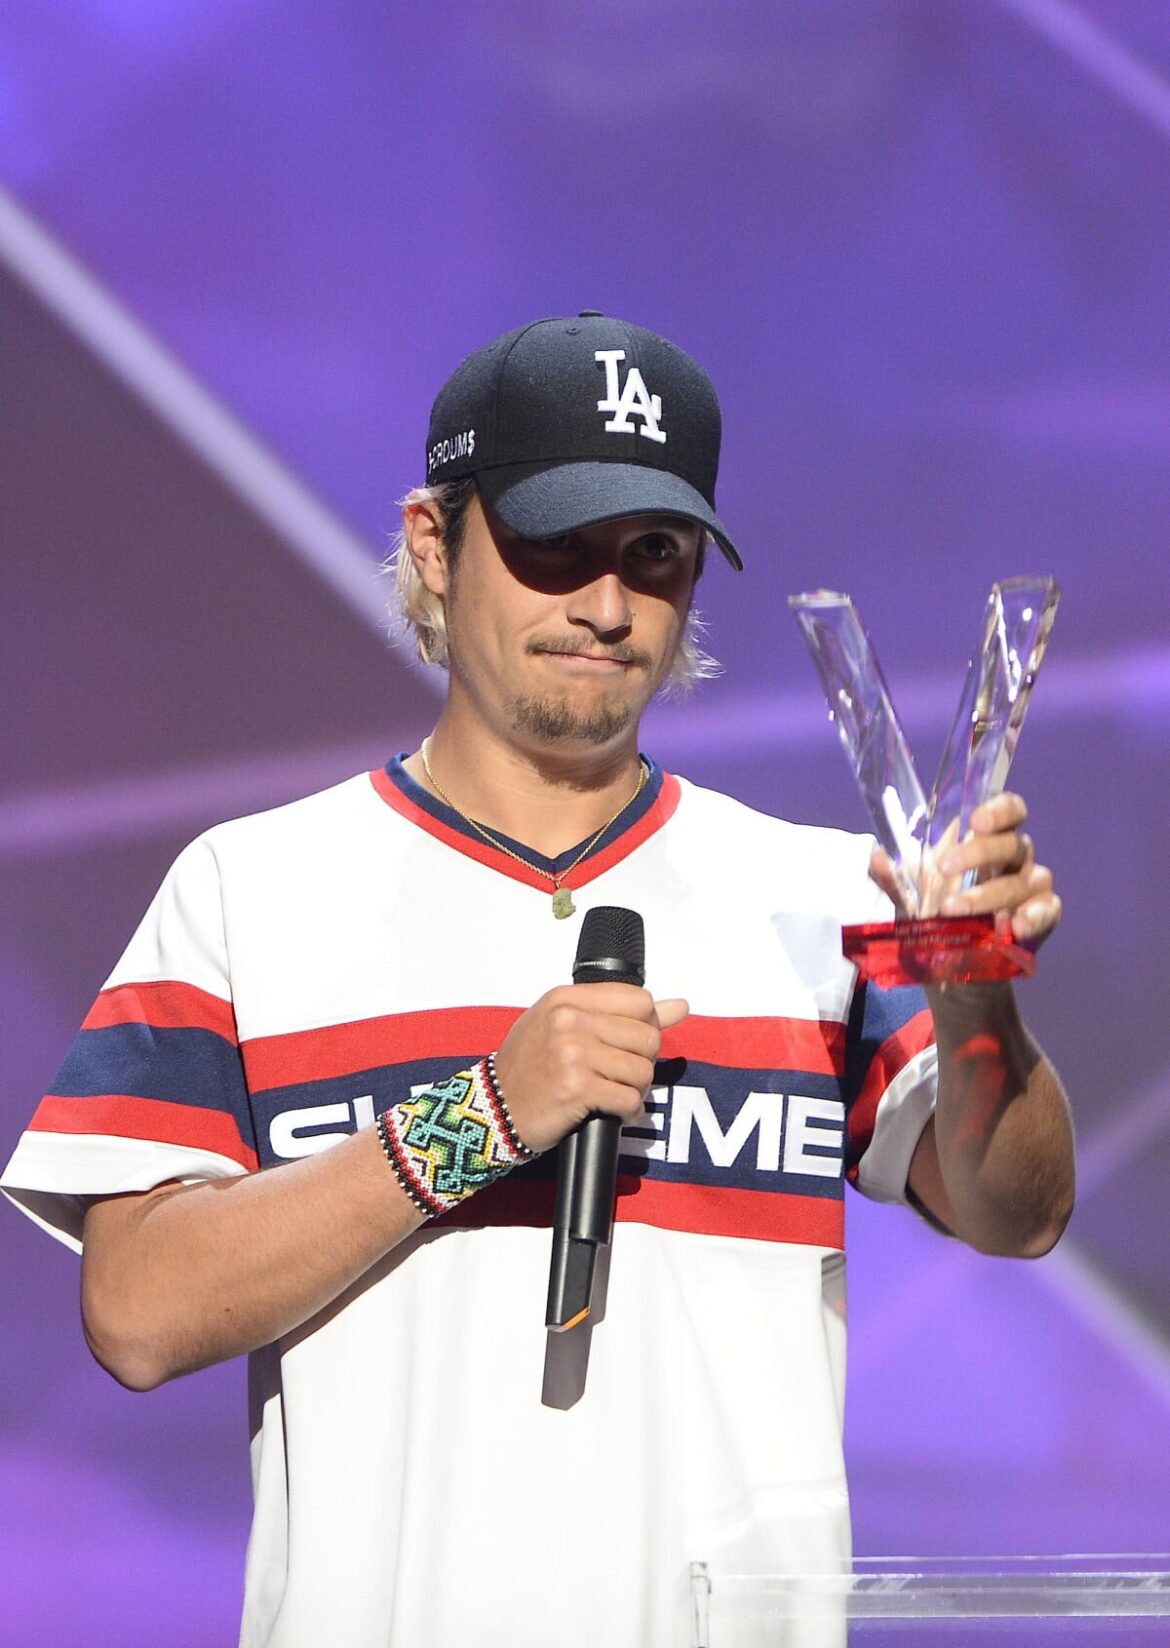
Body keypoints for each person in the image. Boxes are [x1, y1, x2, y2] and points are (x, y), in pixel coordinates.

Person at [1, 312, 1074, 1648]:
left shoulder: (821, 894)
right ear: (432, 545)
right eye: (556, 545)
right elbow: (136, 1314)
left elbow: (1016, 1211)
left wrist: (974, 994)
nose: (608, 607)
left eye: (653, 553)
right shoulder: (251, 887)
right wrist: (483, 1116)